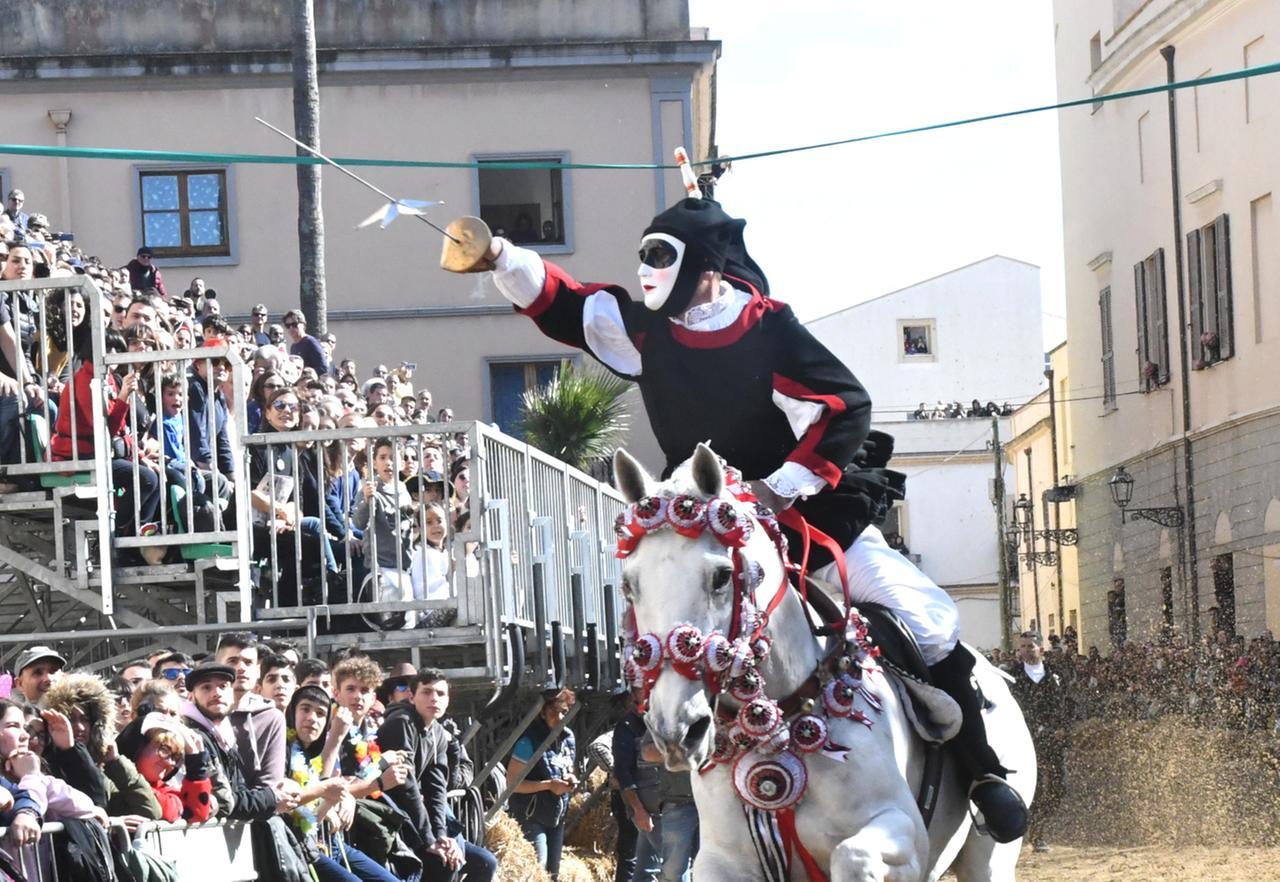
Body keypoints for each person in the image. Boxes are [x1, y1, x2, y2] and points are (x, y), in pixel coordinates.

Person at [465, 193, 1027, 841]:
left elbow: (844, 405)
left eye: (659, 254)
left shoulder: (769, 331)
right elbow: (569, 303)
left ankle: (982, 773)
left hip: (807, 525)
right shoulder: (647, 328)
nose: (645, 268)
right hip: (704, 531)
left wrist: (781, 487)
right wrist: (498, 255)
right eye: (644, 253)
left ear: (703, 266)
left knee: (927, 619)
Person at [378, 670, 496, 882]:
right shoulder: (401, 722)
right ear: (412, 697)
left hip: (417, 822)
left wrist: (441, 836)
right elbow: (407, 786)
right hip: (392, 819)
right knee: (443, 863)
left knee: (485, 862)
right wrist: (429, 840)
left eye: (441, 694)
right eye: (427, 692)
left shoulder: (439, 732)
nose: (434, 698)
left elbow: (437, 789)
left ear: (448, 700)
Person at [283, 686, 400, 882]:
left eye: (320, 713)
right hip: (294, 847)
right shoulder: (284, 749)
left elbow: (313, 815)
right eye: (305, 709)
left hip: (323, 840)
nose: (312, 718)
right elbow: (283, 804)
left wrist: (332, 798)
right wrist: (378, 776)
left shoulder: (311, 753)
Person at [1010, 630, 1071, 853]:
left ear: (1041, 649)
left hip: (1054, 740)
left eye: (1030, 646)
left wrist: (1064, 729)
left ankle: (1038, 825)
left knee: (1059, 788)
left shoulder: (1056, 674)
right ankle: (1031, 834)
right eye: (1023, 647)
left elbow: (1067, 703)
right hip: (1026, 741)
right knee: (1031, 787)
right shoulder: (1013, 676)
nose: (1026, 650)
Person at [507, 688, 577, 880]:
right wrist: (548, 785)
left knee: (553, 873)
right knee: (537, 868)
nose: (560, 717)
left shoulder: (568, 738)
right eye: (554, 712)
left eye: (564, 712)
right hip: (531, 814)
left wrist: (570, 779)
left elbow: (567, 767)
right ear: (542, 712)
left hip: (556, 815)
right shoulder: (528, 741)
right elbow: (512, 783)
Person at [130, 711, 214, 824]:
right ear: (139, 747)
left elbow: (197, 814)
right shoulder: (113, 779)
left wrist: (195, 759)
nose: (170, 763)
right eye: (165, 750)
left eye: (176, 757)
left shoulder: (165, 790)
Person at [282, 309, 331, 376]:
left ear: (303, 325)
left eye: (294, 324)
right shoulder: (293, 346)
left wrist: (307, 375)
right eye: (288, 325)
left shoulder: (311, 342)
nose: (291, 328)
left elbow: (323, 367)